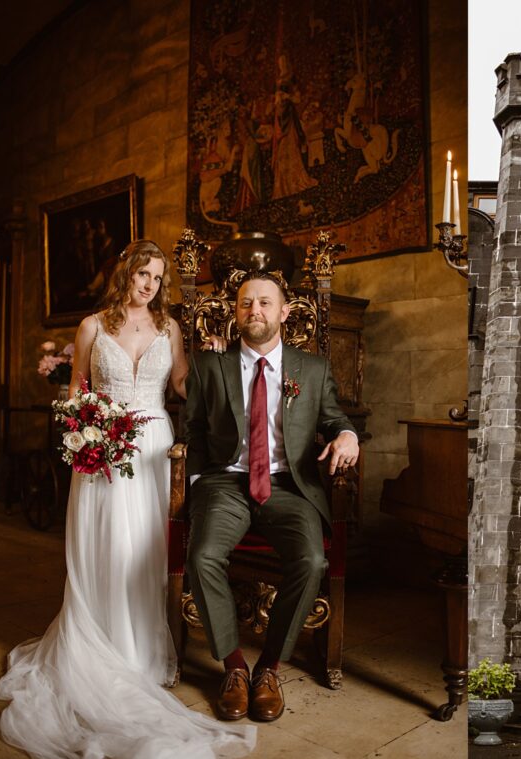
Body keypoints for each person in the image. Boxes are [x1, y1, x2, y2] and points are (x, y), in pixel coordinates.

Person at [0, 240, 256, 758]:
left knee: (146, 551)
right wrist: (87, 430)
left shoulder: (170, 328)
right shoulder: (93, 326)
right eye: (143, 274)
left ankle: (141, 653)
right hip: (104, 449)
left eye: (158, 278)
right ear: (126, 273)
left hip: (156, 449)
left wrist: (216, 369)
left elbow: (179, 384)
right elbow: (75, 391)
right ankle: (104, 649)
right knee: (106, 547)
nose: (150, 285)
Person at [185, 271, 359, 722]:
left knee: (312, 561)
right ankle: (235, 668)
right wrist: (197, 484)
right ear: (235, 312)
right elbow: (194, 432)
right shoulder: (211, 366)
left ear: (284, 312)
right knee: (202, 556)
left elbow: (335, 418)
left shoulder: (313, 369)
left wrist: (346, 436)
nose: (254, 311)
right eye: (246, 303)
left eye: (264, 303)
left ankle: (268, 669)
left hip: (289, 486)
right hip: (227, 482)